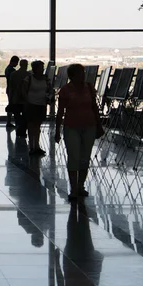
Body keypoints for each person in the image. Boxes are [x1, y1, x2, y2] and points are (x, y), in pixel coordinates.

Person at [55, 64, 104, 201]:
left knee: (84, 157)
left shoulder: (89, 87)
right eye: (80, 73)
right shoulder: (65, 90)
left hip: (89, 126)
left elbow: (94, 107)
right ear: (72, 75)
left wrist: (99, 125)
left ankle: (80, 185)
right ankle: (74, 188)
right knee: (74, 156)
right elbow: (60, 112)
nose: (83, 75)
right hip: (71, 127)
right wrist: (57, 130)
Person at [54, 202, 103, 286]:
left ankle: (79, 202)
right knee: (72, 231)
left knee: (84, 230)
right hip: (70, 264)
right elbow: (59, 280)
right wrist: (56, 262)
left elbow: (94, 282)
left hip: (86, 264)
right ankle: (74, 203)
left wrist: (98, 262)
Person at [22, 60, 50, 156]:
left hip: (41, 104)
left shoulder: (45, 79)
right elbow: (24, 91)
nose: (42, 69)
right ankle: (32, 146)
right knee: (31, 125)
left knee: (37, 126)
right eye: (41, 68)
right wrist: (27, 101)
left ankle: (36, 145)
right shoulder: (29, 78)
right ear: (35, 69)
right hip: (31, 104)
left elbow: (48, 89)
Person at [8, 59, 31, 139]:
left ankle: (18, 129)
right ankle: (23, 131)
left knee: (17, 115)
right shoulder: (29, 75)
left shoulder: (13, 74)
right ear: (26, 65)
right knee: (25, 116)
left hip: (15, 98)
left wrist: (10, 99)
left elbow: (11, 88)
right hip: (25, 99)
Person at [5, 56, 20, 128]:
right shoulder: (12, 71)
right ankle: (11, 122)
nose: (17, 64)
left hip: (9, 89)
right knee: (13, 105)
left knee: (10, 105)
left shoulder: (7, 69)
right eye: (16, 63)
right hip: (13, 90)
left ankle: (8, 121)